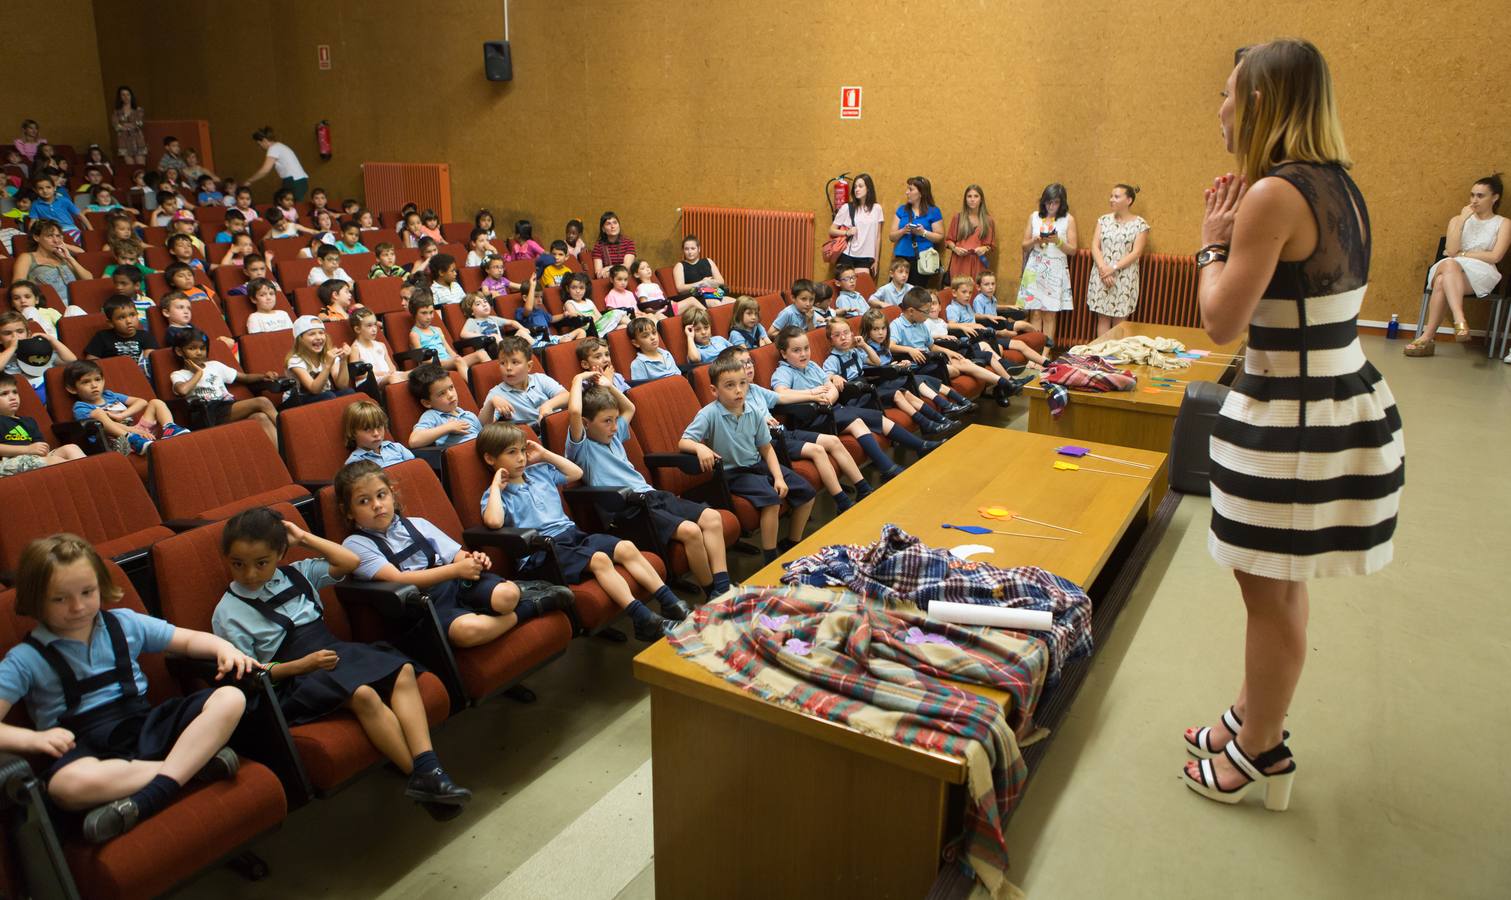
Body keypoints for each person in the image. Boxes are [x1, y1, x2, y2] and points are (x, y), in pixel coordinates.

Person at [1182, 40, 1404, 810]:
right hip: (1328, 398)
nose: (1219, 108)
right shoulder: (1335, 182)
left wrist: (1211, 236)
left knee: (1267, 594)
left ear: (1265, 103)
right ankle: (1254, 714)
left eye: (1228, 93)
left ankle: (1259, 752)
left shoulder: (1271, 194)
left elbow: (1217, 321)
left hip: (1295, 420)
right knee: (1277, 586)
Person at [213, 507, 470, 815]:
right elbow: (251, 673)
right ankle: (422, 779)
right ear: (225, 558)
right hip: (292, 676)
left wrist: (304, 537)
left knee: (402, 670)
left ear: (281, 553)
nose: (250, 574)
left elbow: (350, 561)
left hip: (330, 651)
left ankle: (429, 772)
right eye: (238, 564)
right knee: (363, 694)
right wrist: (300, 666)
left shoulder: (298, 572)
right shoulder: (228, 612)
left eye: (262, 563)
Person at [0, 534, 254, 843]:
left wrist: (223, 648)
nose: (78, 606)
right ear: (35, 599)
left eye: (87, 592)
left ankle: (149, 796)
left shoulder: (123, 623)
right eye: (59, 598)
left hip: (146, 724)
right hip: (87, 748)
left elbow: (186, 640)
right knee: (65, 788)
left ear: (100, 586)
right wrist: (34, 739)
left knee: (231, 697)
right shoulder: (25, 659)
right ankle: (192, 767)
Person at [479, 423, 685, 640]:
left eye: (522, 450)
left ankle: (671, 603)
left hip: (572, 535)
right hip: (542, 551)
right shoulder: (496, 494)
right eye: (512, 453)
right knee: (599, 560)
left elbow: (576, 472)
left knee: (626, 547)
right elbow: (493, 521)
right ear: (490, 459)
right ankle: (644, 619)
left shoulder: (539, 471)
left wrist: (545, 454)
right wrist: (495, 487)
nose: (521, 458)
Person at [336, 461, 570, 649]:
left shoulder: (417, 524)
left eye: (381, 495)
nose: (377, 505)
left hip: (457, 583)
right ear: (347, 512)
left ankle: (515, 595)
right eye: (364, 501)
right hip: (423, 606)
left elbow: (456, 555)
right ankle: (531, 606)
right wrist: (455, 569)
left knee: (506, 596)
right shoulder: (355, 544)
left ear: (392, 495)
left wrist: (472, 561)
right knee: (468, 632)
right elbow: (398, 579)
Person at [567, 373, 733, 601]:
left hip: (653, 495)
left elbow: (630, 408)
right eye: (607, 421)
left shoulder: (613, 436)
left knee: (712, 518)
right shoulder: (582, 449)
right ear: (586, 424)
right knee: (691, 531)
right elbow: (575, 412)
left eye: (615, 420)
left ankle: (722, 587)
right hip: (629, 508)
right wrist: (577, 381)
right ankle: (712, 594)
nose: (614, 427)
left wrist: (610, 386)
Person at [679, 356, 817, 564]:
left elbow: (766, 448)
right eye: (730, 385)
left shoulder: (753, 412)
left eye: (743, 383)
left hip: (757, 465)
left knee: (807, 493)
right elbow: (684, 442)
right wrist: (699, 446)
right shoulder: (709, 414)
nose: (738, 390)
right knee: (772, 500)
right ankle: (770, 558)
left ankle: (792, 542)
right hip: (732, 473)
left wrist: (779, 477)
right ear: (714, 391)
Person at [723, 345, 874, 510]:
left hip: (784, 433)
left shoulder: (755, 389)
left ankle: (863, 488)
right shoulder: (733, 399)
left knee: (833, 441)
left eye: (749, 362)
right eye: (742, 364)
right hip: (770, 443)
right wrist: (761, 421)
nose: (748, 367)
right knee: (818, 450)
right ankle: (842, 502)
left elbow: (782, 397)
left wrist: (813, 394)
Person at [770, 325, 939, 466]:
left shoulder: (812, 366)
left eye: (806, 348)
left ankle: (919, 445)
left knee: (875, 416)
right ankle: (888, 467)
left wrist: (829, 397)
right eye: (796, 350)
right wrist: (812, 395)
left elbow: (830, 386)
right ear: (784, 354)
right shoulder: (784, 372)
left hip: (831, 408)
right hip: (810, 418)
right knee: (857, 422)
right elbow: (781, 394)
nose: (803, 354)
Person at [1406, 174, 1508, 356]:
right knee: (1450, 265)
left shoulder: (1504, 223)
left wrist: (1463, 254)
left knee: (1441, 281)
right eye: (1472, 195)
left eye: (1480, 196)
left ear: (1495, 197)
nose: (1474, 200)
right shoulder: (1457, 220)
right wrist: (1461, 221)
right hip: (1452, 265)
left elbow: (1495, 256)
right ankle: (1460, 319)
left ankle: (1427, 337)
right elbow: (1452, 250)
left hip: (1481, 272)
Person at [823, 318, 955, 435]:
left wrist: (863, 345)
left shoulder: (854, 351)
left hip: (868, 388)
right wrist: (834, 376)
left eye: (846, 333)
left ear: (852, 334)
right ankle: (927, 424)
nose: (843, 337)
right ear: (831, 340)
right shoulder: (832, 359)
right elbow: (826, 377)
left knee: (906, 393)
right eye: (837, 335)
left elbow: (876, 362)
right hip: (856, 395)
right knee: (899, 393)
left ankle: (937, 420)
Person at [168, 329, 279, 446]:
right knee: (262, 401)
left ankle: (281, 457)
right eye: (192, 348)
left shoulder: (215, 365)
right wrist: (198, 373)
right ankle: (288, 432)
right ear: (179, 351)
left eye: (202, 348)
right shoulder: (179, 374)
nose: (199, 352)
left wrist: (263, 377)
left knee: (260, 417)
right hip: (207, 413)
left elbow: (244, 377)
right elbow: (182, 390)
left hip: (226, 407)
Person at [65, 359, 187, 455]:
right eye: (86, 382)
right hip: (116, 440)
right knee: (98, 414)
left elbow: (142, 402)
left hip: (138, 433)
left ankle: (170, 429)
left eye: (97, 379)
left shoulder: (109, 395)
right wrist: (131, 431)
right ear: (72, 388)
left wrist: (122, 415)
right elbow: (101, 426)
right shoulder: (80, 407)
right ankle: (131, 439)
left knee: (156, 403)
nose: (94, 385)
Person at [1017, 183, 1079, 345]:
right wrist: (1034, 240)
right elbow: (1024, 245)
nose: (1051, 206)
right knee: (1035, 312)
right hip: (1035, 267)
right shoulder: (1035, 216)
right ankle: (1035, 351)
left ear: (1062, 203)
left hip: (1055, 268)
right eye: (1048, 202)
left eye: (1056, 202)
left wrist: (1058, 241)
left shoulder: (1068, 219)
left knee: (1050, 314)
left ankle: (1046, 352)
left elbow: (1072, 250)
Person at [1087, 184, 1151, 337]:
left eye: (1116, 196)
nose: (1111, 200)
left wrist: (1113, 268)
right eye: (1111, 196)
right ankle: (1101, 357)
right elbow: (1095, 246)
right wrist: (1104, 269)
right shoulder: (1103, 220)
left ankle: (1116, 359)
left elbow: (1136, 253)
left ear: (1128, 200)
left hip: (1124, 277)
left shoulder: (1140, 224)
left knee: (1120, 321)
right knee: (1102, 318)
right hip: (1102, 275)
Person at [0, 373, 84, 476]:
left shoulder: (29, 421)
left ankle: (92, 478)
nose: (13, 397)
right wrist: (27, 449)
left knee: (71, 448)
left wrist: (41, 449)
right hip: (7, 462)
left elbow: (41, 446)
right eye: (4, 394)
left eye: (15, 392)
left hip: (33, 458)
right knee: (56, 462)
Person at [482, 336, 568, 425]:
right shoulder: (496, 394)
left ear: (529, 366)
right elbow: (484, 425)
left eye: (514, 362)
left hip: (558, 425)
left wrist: (549, 405)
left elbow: (567, 396)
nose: (508, 368)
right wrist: (491, 404)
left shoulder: (540, 379)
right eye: (503, 363)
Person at [409, 292, 488, 383]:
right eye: (424, 313)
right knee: (457, 361)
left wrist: (456, 356)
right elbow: (422, 361)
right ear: (414, 313)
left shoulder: (437, 329)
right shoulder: (414, 334)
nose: (429, 317)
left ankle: (492, 382)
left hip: (449, 361)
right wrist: (455, 360)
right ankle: (475, 388)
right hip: (433, 366)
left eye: (431, 312)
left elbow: (449, 350)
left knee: (481, 353)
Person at [12, 221, 93, 305]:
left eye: (58, 236)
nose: (56, 240)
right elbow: (17, 286)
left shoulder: (63, 257)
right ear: (36, 237)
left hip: (78, 303)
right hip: (50, 307)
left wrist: (69, 258)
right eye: (49, 236)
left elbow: (89, 280)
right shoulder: (27, 257)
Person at [408, 363, 481, 448]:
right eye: (441, 393)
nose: (450, 395)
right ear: (427, 403)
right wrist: (448, 427)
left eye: (451, 388)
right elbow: (414, 441)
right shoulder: (432, 416)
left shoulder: (469, 415)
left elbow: (484, 439)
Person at [888, 177, 944, 287]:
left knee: (916, 293)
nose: (907, 192)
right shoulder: (902, 210)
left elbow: (940, 236)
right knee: (896, 290)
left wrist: (923, 233)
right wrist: (903, 231)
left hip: (922, 259)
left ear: (921, 193)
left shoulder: (933, 211)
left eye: (911, 189)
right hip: (901, 258)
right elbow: (892, 236)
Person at [285, 315, 352, 406]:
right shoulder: (295, 360)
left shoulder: (328, 354)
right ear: (300, 339)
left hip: (323, 395)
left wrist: (343, 360)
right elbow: (314, 389)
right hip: (297, 400)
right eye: (312, 334)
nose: (318, 337)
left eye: (321, 333)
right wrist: (328, 365)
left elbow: (342, 386)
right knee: (328, 396)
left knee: (348, 392)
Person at [829, 173, 884, 276]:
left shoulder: (877, 209)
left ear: (868, 188)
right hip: (847, 254)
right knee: (845, 289)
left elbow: (878, 237)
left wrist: (876, 260)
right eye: (855, 187)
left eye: (860, 186)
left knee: (863, 289)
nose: (857, 189)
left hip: (865, 257)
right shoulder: (847, 207)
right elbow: (832, 230)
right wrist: (847, 232)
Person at [945, 184, 996, 280]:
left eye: (976, 196)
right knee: (960, 289)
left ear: (981, 199)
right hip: (960, 261)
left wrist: (984, 248)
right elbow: (948, 240)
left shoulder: (988, 220)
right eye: (969, 196)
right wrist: (955, 249)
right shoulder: (958, 218)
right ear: (965, 199)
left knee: (976, 291)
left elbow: (990, 245)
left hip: (978, 262)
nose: (972, 199)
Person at [244, 127, 309, 200]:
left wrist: (249, 180)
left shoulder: (273, 148)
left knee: (290, 207)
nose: (260, 147)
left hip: (294, 181)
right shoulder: (280, 146)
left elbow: (265, 170)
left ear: (265, 140)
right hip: (300, 180)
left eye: (259, 144)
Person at [343, 400, 414, 466]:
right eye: (367, 429)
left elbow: (415, 469)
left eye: (379, 426)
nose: (376, 433)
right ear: (352, 432)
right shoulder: (355, 463)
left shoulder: (396, 447)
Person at [84, 297, 155, 361]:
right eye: (121, 317)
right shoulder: (102, 337)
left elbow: (149, 362)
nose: (129, 321)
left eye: (132, 315)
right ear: (110, 323)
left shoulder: (146, 336)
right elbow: (92, 361)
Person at [671, 235, 732, 306]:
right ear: (683, 250)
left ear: (699, 249)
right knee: (716, 303)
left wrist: (708, 282)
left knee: (735, 302)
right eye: (686, 249)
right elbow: (680, 288)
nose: (690, 252)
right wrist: (701, 283)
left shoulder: (708, 261)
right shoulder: (680, 265)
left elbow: (721, 281)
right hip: (694, 296)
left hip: (711, 292)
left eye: (693, 248)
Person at [25, 177, 90, 241]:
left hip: (70, 229)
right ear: (36, 190)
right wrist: (31, 236)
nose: (45, 191)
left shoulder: (64, 200)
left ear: (54, 188)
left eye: (48, 187)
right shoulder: (35, 205)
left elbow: (80, 215)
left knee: (81, 240)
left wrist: (91, 230)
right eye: (40, 188)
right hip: (51, 232)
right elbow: (33, 222)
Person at [628, 317, 680, 382]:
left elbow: (679, 375)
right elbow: (642, 389)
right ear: (636, 343)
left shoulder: (666, 354)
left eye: (654, 332)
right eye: (645, 336)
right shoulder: (638, 364)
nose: (652, 337)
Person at [591, 211, 637, 278]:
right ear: (603, 229)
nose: (613, 226)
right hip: (608, 279)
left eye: (615, 223)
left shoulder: (628, 243)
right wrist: (606, 274)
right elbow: (598, 272)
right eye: (608, 224)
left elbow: (627, 266)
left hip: (626, 279)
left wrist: (609, 268)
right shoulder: (598, 246)